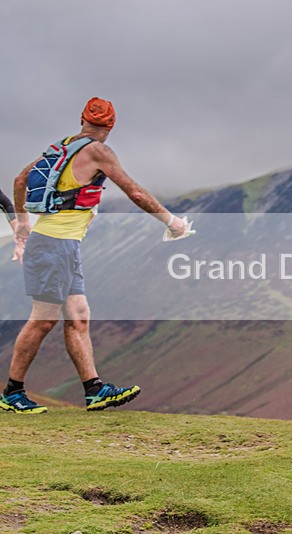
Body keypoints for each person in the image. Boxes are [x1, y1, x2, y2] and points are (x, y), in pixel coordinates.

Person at [0, 97, 192, 415]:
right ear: (111, 125)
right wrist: (171, 222)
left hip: (60, 245)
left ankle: (94, 390)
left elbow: (20, 180)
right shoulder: (98, 152)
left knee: (78, 315)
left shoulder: (61, 147)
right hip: (54, 246)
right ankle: (12, 392)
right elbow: (136, 192)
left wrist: (22, 224)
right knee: (43, 320)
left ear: (82, 119)